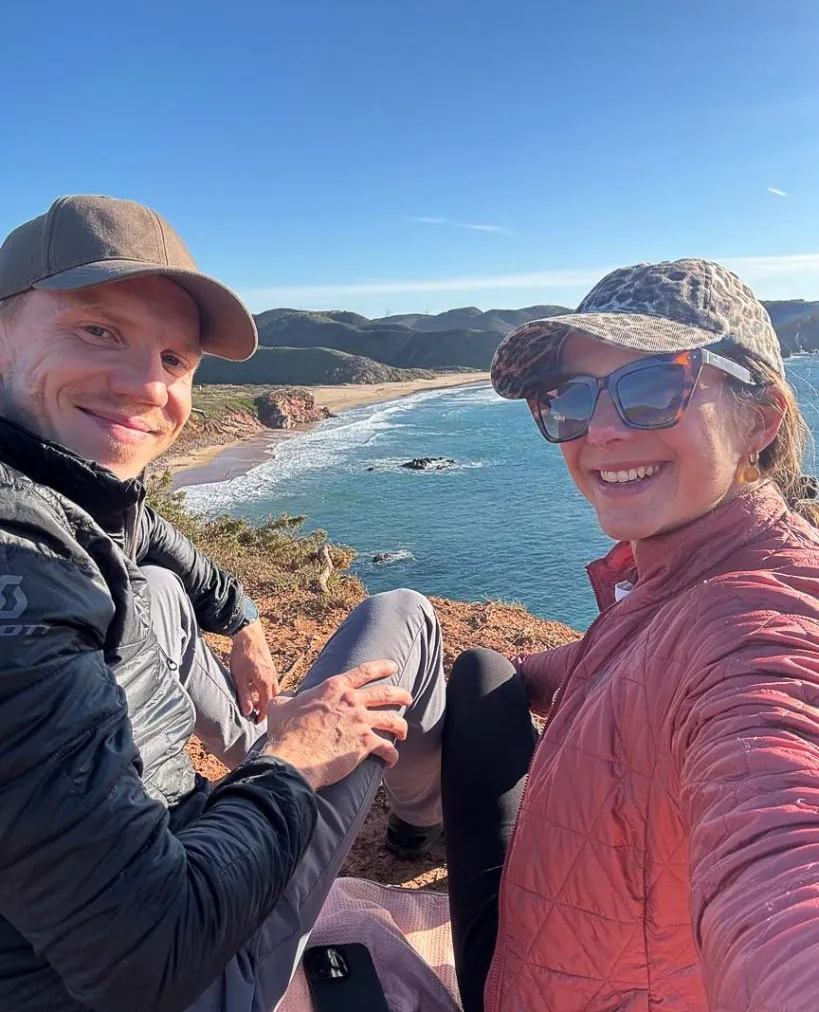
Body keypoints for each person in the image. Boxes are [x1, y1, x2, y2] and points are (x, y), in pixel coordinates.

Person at [0, 195, 445, 1012]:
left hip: (116, 876)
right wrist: (292, 763)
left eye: (174, 359)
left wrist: (240, 616)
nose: (145, 384)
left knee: (161, 588)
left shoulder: (48, 494)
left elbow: (143, 535)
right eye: (98, 330)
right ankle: (422, 821)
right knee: (403, 613)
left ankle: (268, 759)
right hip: (195, 963)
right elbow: (149, 955)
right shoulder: (18, 571)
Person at [441, 258, 819, 1011]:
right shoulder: (673, 578)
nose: (601, 431)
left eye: (653, 386)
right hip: (534, 961)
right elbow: (616, 659)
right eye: (570, 400)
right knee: (482, 672)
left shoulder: (755, 621)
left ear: (761, 418)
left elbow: (776, 846)